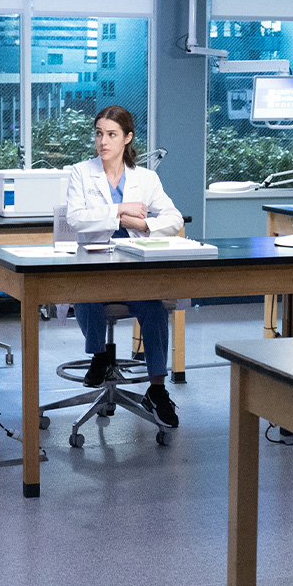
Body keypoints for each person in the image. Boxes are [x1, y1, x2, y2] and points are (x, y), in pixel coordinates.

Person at [65, 105, 184, 428]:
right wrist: (120, 209)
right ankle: (99, 355)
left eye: (112, 135)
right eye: (99, 133)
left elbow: (173, 218)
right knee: (87, 294)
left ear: (128, 138)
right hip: (95, 264)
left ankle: (157, 389)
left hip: (133, 268)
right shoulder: (81, 172)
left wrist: (144, 226)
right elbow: (75, 219)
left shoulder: (146, 178)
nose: (103, 141)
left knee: (155, 310)